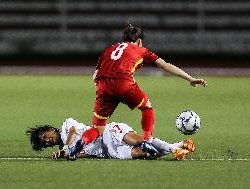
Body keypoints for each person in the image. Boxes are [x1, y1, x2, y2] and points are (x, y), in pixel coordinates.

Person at [68, 23, 207, 160]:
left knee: (98, 128)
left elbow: (94, 76)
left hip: (103, 85)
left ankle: (81, 143)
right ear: (139, 41)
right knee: (147, 107)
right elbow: (165, 65)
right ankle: (146, 141)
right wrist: (190, 78)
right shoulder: (142, 50)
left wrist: (106, 89)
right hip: (123, 82)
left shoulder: (109, 50)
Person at [26, 118, 195, 160]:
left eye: (44, 137)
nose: (47, 141)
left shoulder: (65, 126)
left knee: (136, 140)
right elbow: (87, 154)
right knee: (142, 153)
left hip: (108, 132)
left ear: (49, 129)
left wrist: (67, 148)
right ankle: (180, 145)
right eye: (44, 143)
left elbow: (73, 129)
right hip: (108, 151)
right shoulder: (68, 151)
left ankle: (175, 150)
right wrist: (66, 155)